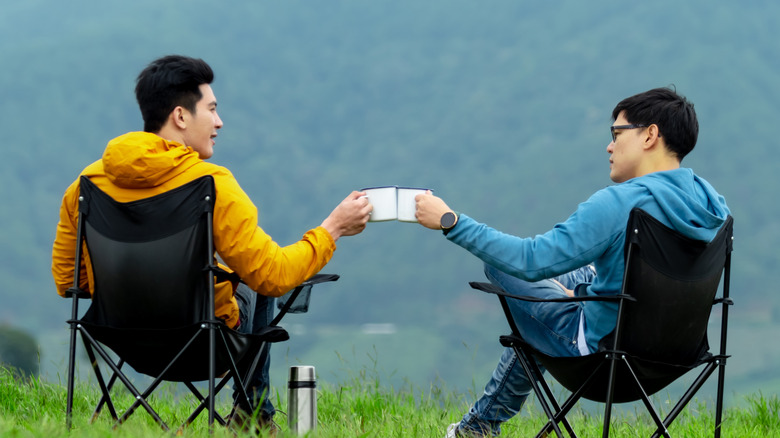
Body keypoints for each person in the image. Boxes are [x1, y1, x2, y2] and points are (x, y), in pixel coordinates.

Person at [51, 55, 372, 432]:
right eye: (212, 110)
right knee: (254, 277)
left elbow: (70, 282)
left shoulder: (85, 186)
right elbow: (274, 276)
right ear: (181, 116)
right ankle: (253, 413)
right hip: (204, 344)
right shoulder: (211, 183)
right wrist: (332, 229)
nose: (219, 123)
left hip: (120, 339)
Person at [414, 87, 730, 437]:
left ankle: (479, 427)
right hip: (677, 357)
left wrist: (451, 222)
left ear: (650, 135)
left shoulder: (619, 204)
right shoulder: (713, 208)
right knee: (582, 273)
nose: (610, 147)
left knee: (502, 269)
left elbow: (529, 261)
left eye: (616, 134)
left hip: (602, 358)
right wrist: (580, 291)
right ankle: (479, 426)